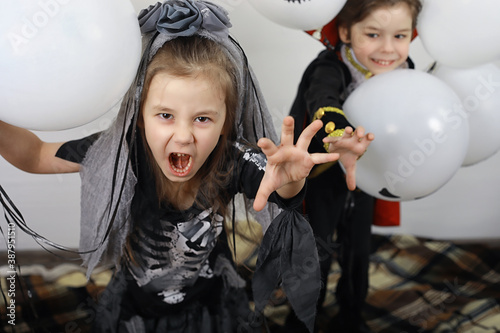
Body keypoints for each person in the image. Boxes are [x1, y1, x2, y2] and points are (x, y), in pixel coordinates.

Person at [0, 1, 373, 332]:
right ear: (140, 117)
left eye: (202, 119)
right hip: (135, 306)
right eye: (165, 115)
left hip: (209, 303)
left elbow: (275, 184)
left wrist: (290, 181)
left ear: (227, 122)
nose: (183, 136)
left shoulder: (230, 156)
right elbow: (33, 155)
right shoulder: (119, 152)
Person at [287, 0, 422, 332]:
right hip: (322, 176)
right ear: (346, 31)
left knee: (358, 250)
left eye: (400, 36)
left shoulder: (405, 73)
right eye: (373, 34)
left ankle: (351, 314)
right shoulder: (330, 67)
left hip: (365, 177)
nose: (388, 49)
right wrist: (339, 132)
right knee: (315, 251)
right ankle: (302, 318)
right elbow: (322, 99)